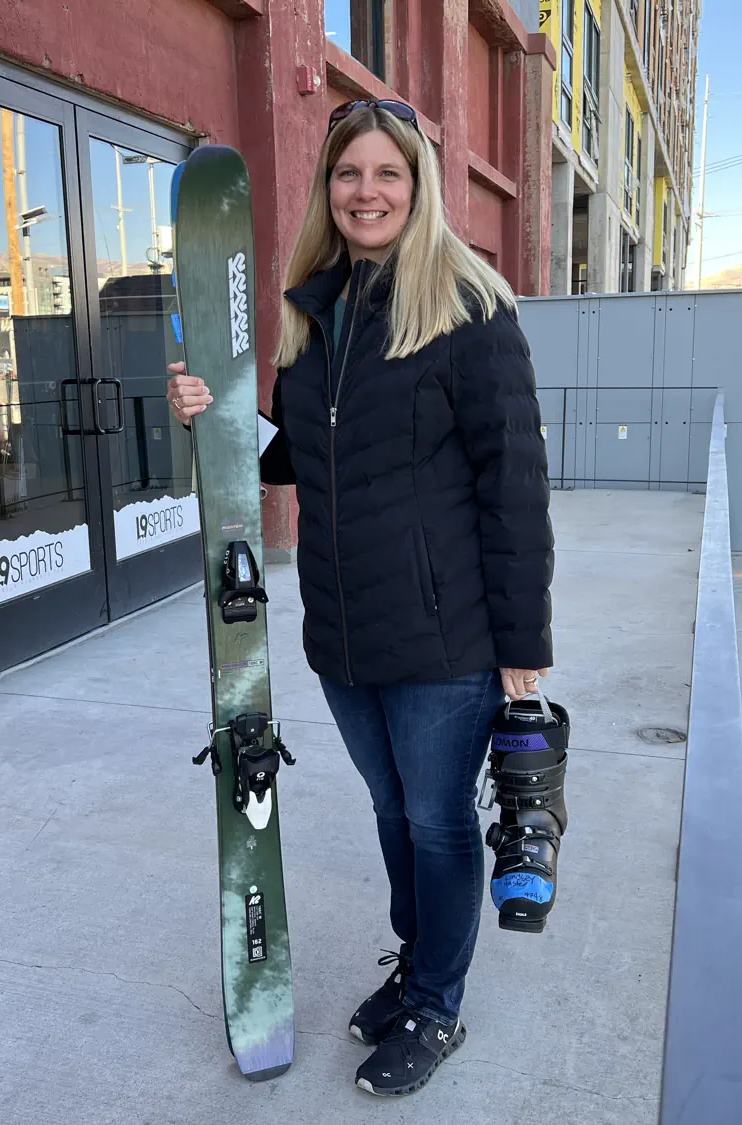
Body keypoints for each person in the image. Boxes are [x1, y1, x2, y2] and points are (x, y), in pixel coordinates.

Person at [167, 98, 553, 1097]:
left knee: (437, 824)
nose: (366, 191)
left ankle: (437, 1002)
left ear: (419, 185)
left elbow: (515, 488)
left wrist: (523, 645)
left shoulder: (470, 308)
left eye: (388, 173)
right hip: (343, 632)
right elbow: (297, 455)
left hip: (446, 639)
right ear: (327, 190)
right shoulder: (317, 309)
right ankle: (416, 964)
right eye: (349, 175)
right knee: (393, 813)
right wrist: (220, 416)